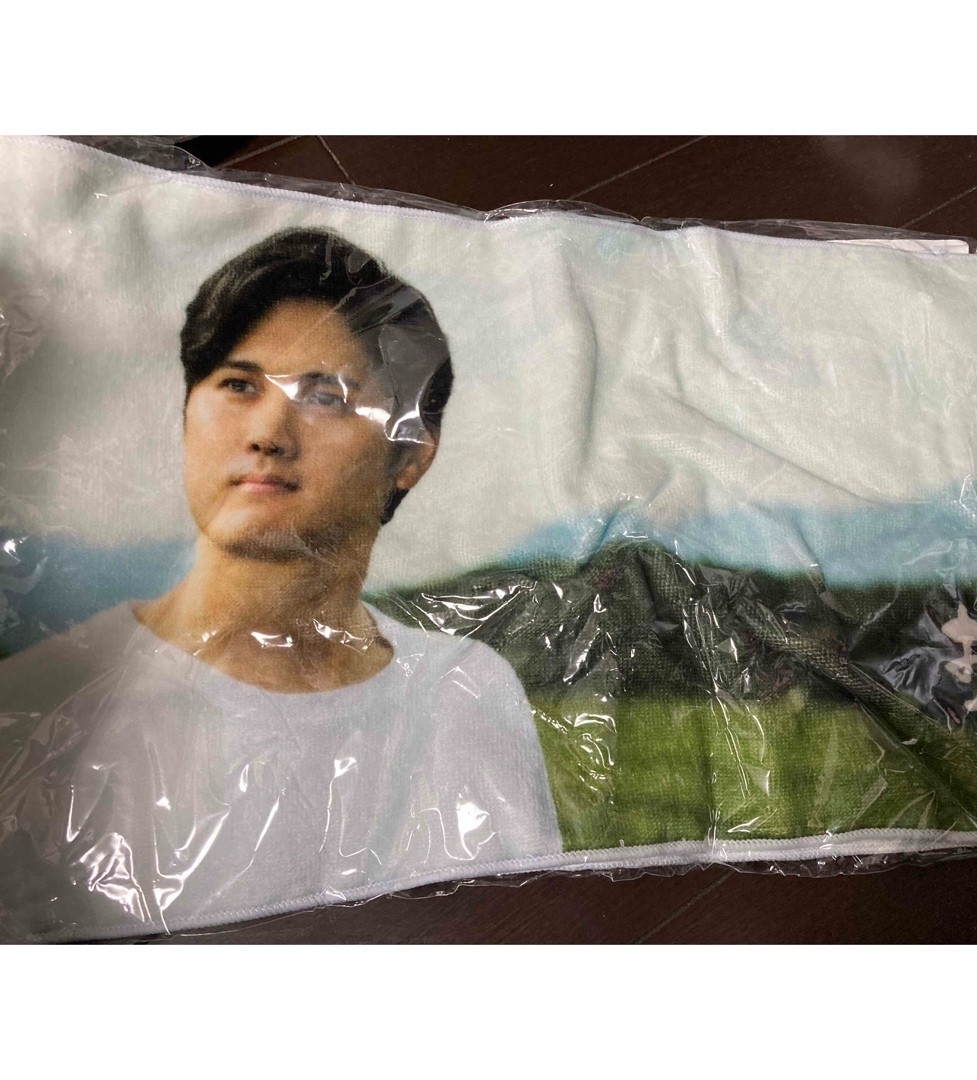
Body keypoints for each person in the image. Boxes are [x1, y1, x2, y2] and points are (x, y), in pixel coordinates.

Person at [0, 228, 562, 942]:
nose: (268, 432)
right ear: (186, 412)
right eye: (238, 385)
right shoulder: (40, 703)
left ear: (411, 454)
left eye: (325, 396)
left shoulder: (463, 693)